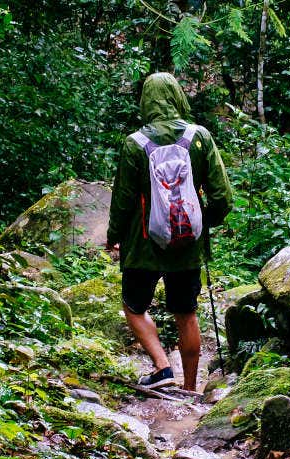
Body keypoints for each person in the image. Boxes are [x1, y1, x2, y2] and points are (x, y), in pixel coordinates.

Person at [106, 72, 233, 392]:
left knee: (134, 307)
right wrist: (203, 224)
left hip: (143, 244)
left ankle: (163, 367)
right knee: (186, 314)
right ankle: (190, 389)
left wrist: (114, 235)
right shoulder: (200, 137)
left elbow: (122, 199)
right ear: (178, 97)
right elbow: (222, 197)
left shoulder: (135, 144)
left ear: (146, 102)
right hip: (187, 244)